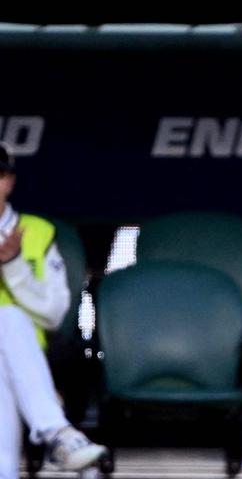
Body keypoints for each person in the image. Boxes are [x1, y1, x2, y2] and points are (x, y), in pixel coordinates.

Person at [0, 143, 106, 477]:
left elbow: (54, 314)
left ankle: (54, 432)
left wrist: (14, 266)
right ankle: (56, 432)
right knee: (9, 317)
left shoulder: (38, 232)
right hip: (27, 377)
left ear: (10, 181)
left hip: (21, 365)